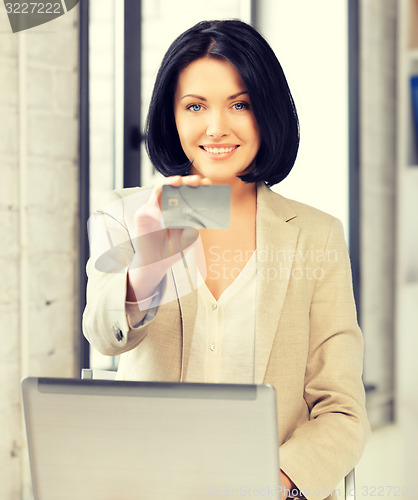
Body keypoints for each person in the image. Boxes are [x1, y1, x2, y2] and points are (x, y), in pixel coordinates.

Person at [83, 20, 369, 500]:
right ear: (171, 117)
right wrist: (151, 261)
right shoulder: (125, 216)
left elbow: (341, 409)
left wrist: (280, 481)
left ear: (267, 113)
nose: (217, 127)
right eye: (195, 106)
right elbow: (102, 334)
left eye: (240, 104)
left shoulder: (317, 236)